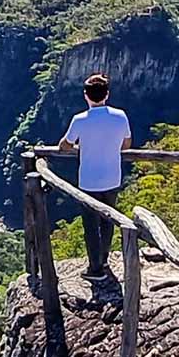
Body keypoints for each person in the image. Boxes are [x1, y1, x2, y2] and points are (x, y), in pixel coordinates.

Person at [58, 73, 132, 276]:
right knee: (107, 220)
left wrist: (80, 144)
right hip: (112, 177)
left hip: (89, 180)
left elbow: (64, 145)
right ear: (107, 94)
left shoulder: (80, 120)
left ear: (86, 95)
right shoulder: (120, 116)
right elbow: (127, 143)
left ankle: (95, 267)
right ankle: (105, 261)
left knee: (90, 225)